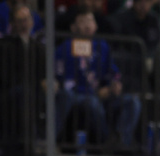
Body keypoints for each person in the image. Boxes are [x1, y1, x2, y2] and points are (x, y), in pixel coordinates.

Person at [54, 10, 142, 148]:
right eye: (83, 22)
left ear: (96, 26)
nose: (88, 26)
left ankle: (121, 142)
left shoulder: (102, 46)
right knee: (93, 103)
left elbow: (113, 73)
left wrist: (114, 84)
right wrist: (95, 93)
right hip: (79, 96)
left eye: (90, 21)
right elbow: (64, 82)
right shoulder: (64, 48)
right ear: (73, 27)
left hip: (101, 95)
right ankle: (106, 141)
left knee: (133, 102)